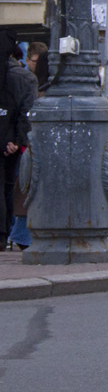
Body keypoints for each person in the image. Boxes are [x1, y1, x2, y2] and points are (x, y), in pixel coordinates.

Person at [1, 33, 36, 250]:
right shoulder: (24, 78)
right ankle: (8, 235)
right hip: (13, 144)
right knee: (10, 188)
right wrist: (18, 140)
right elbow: (25, 114)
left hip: (7, 139)